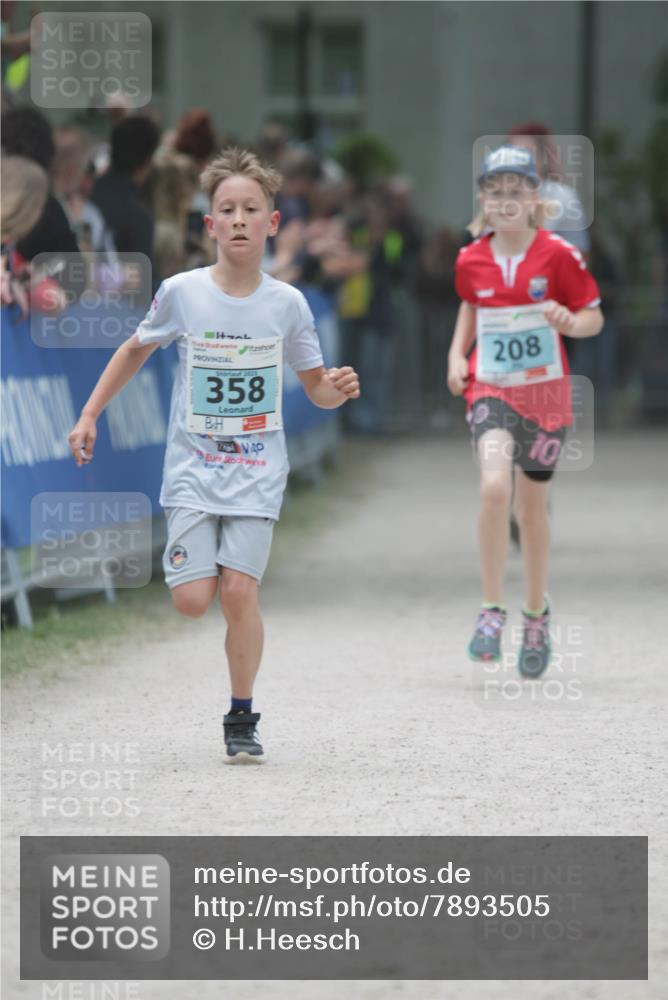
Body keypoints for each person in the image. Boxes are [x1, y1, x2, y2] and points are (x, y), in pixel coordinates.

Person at [68, 148, 360, 763]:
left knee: (238, 594)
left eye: (251, 209)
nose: (238, 220)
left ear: (273, 223)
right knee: (191, 600)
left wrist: (335, 390)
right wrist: (91, 413)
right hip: (193, 473)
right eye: (226, 209)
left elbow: (314, 389)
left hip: (257, 473)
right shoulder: (182, 293)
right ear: (209, 225)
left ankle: (241, 716)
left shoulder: (288, 304)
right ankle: (235, 695)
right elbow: (132, 352)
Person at [447, 145, 603, 677]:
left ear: (535, 198)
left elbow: (593, 318)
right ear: (483, 199)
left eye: (517, 191)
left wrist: (568, 321)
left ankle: (535, 613)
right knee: (494, 488)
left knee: (530, 512)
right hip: (489, 388)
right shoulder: (471, 257)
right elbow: (472, 304)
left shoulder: (559, 254)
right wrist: (455, 355)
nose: (506, 201)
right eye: (496, 191)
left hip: (545, 398)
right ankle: (492, 609)